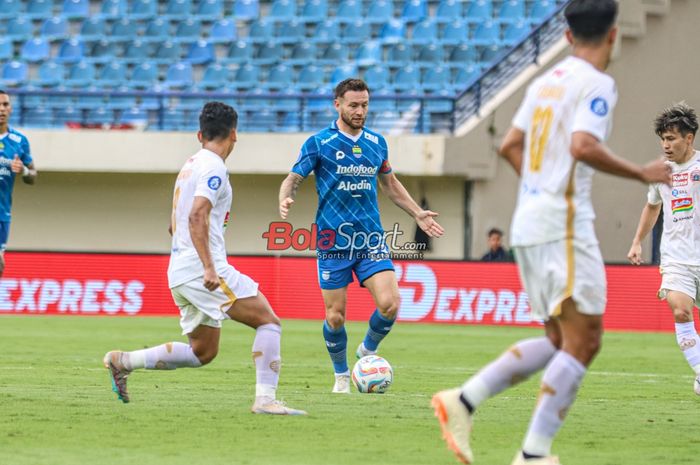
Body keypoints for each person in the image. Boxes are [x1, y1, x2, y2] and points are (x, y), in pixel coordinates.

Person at [431, 1, 671, 464]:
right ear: (614, 35)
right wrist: (641, 173)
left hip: (530, 220)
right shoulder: (597, 83)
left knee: (562, 340)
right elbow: (583, 145)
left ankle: (463, 401)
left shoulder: (545, 81)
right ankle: (534, 454)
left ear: (565, 35)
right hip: (562, 223)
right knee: (586, 340)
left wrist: (539, 186)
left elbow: (509, 145)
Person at [104, 102, 306, 415]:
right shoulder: (214, 167)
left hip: (180, 270)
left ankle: (124, 361)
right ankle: (266, 400)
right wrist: (209, 267)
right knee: (268, 322)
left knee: (203, 351)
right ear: (235, 134)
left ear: (200, 134)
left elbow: (175, 223)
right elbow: (197, 215)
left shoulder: (191, 164)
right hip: (203, 270)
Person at [278, 78, 444, 393]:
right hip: (333, 241)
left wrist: (417, 213)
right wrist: (285, 196)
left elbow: (391, 185)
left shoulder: (376, 142)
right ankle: (341, 375)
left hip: (370, 239)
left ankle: (366, 352)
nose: (360, 111)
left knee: (390, 304)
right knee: (336, 317)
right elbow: (293, 178)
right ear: (337, 104)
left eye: (365, 104)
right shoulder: (319, 143)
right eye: (354, 105)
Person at [627, 102, 700, 395]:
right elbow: (652, 207)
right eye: (663, 139)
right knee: (681, 310)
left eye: (671, 138)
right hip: (676, 259)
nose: (666, 145)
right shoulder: (661, 172)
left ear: (689, 138)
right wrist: (636, 241)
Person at [0, 89, 37, 276]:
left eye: (5, 105)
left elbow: (33, 175)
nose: (1, 109)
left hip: (2, 213)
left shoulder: (19, 141)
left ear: (11, 109)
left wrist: (22, 170)